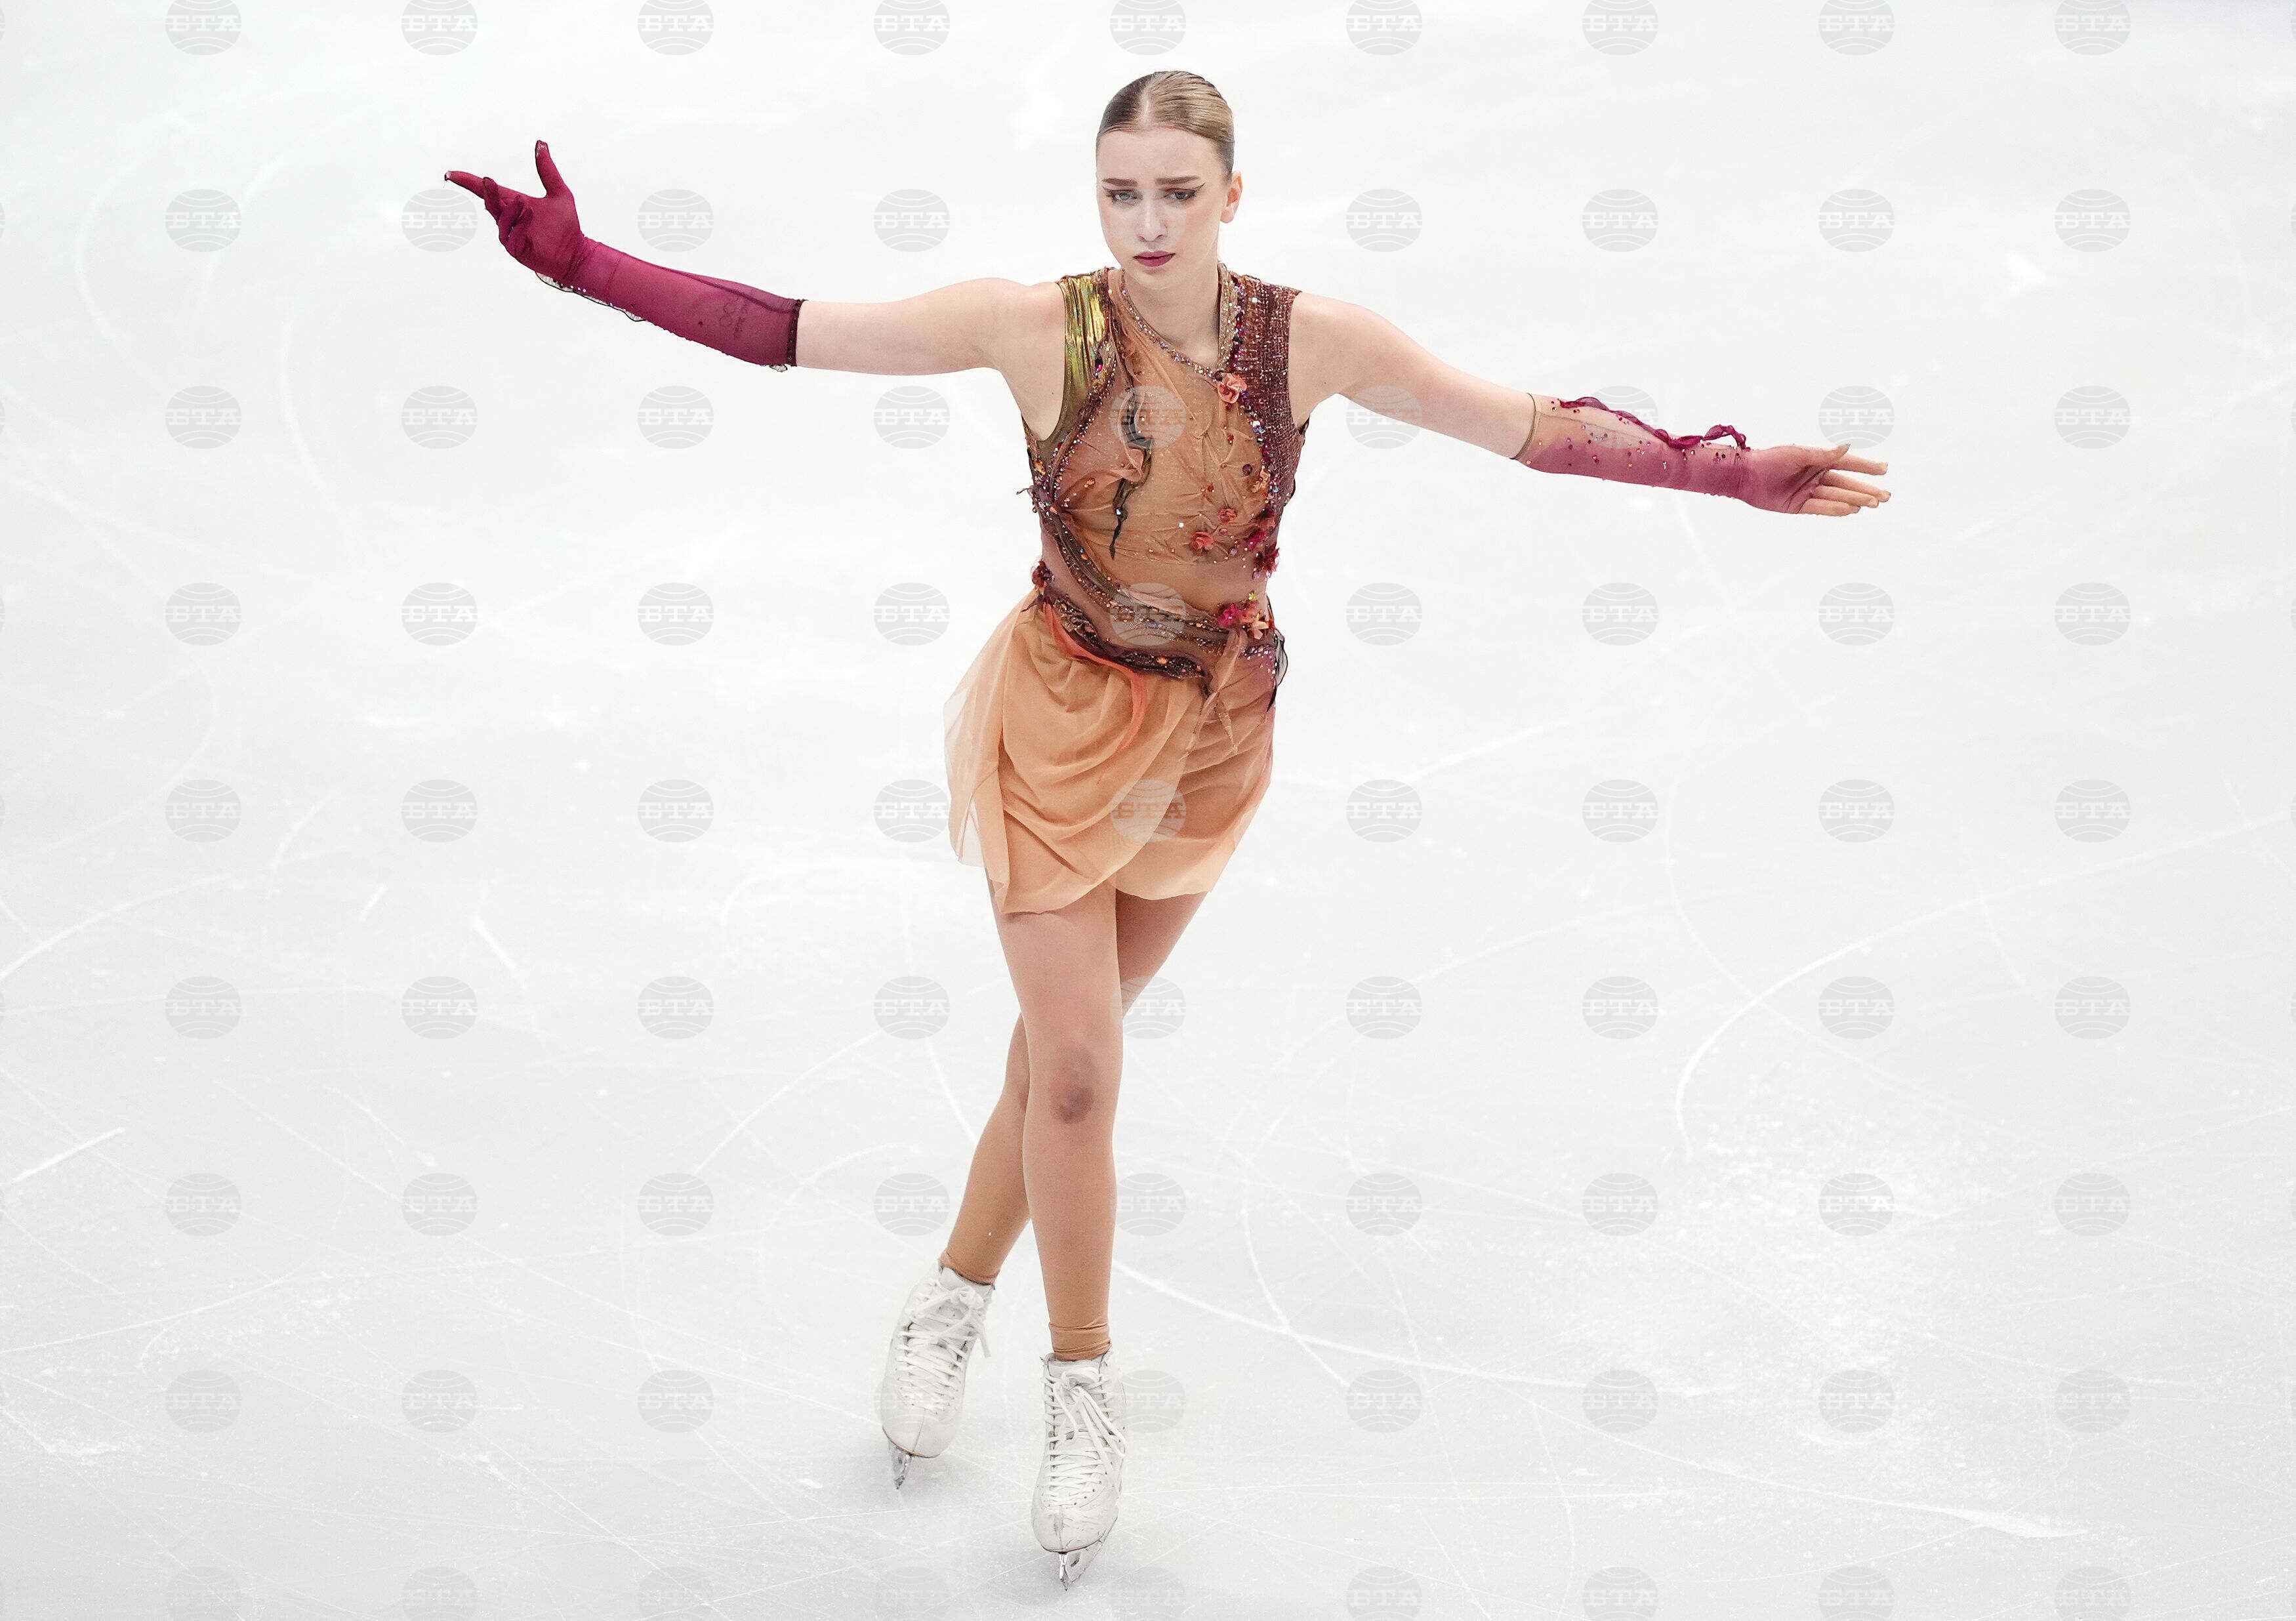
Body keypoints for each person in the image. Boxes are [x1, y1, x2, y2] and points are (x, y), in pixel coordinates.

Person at [447, 67, 1891, 1590]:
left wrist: (1726, 474)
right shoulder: (1030, 326)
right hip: (1057, 723)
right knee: (1079, 1070)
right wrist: (582, 266)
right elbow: (787, 328)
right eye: (1119, 192)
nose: (1145, 222)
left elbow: (1522, 427)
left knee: (1052, 1062)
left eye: (1177, 194)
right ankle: (1080, 1385)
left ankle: (948, 1294)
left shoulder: (1312, 342)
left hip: (1212, 736)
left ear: (1231, 198)